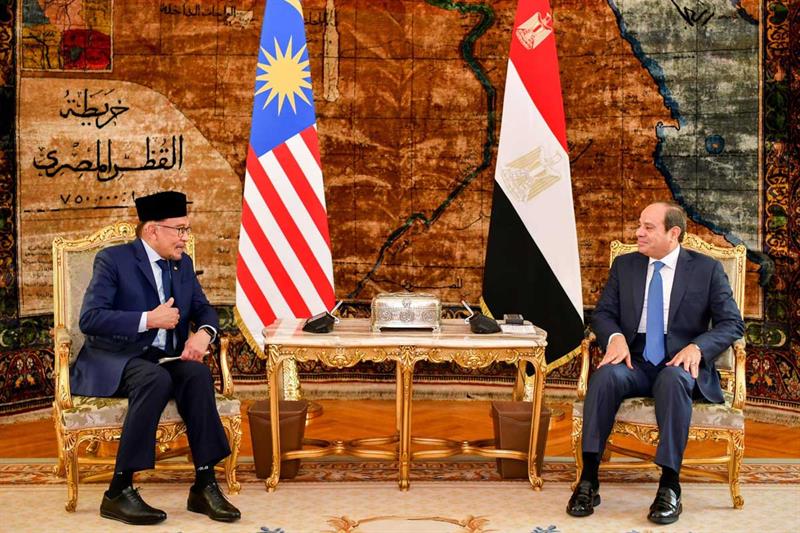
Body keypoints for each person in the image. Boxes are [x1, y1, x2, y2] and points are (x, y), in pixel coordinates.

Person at [566, 202, 744, 525]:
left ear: (673, 233)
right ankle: (588, 480)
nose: (638, 233)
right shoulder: (625, 265)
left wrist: (698, 347)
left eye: (648, 227)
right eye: (639, 225)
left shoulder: (706, 270)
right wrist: (615, 337)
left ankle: (669, 486)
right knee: (604, 377)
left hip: (678, 363)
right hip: (634, 362)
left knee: (673, 381)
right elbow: (603, 314)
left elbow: (732, 323)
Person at [70, 191, 241, 525]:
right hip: (116, 358)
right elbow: (90, 319)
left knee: (197, 375)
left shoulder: (182, 263)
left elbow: (204, 309)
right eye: (179, 229)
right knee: (155, 379)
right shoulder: (113, 260)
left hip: (163, 357)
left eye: (187, 229)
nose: (185, 237)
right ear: (152, 231)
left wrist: (204, 333)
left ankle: (204, 484)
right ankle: (118, 490)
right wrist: (148, 319)